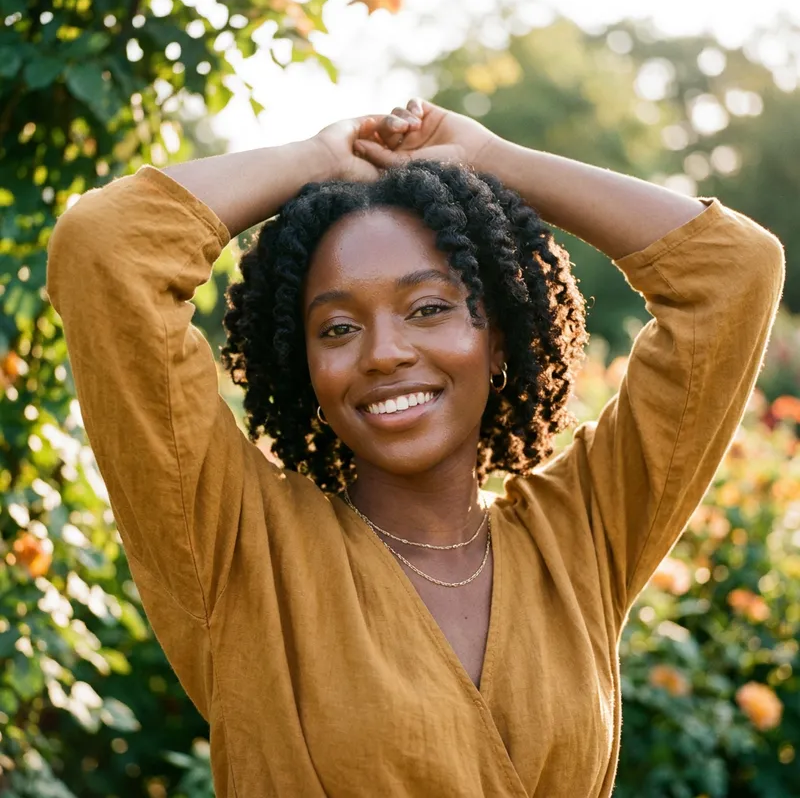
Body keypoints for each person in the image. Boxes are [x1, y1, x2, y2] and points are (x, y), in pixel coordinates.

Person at [46, 98, 784, 797]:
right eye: (337, 328)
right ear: (304, 367)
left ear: (495, 336)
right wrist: (312, 158)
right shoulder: (239, 546)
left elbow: (731, 273)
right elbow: (107, 250)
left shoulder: (579, 536)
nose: (385, 353)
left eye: (428, 309)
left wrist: (495, 159)